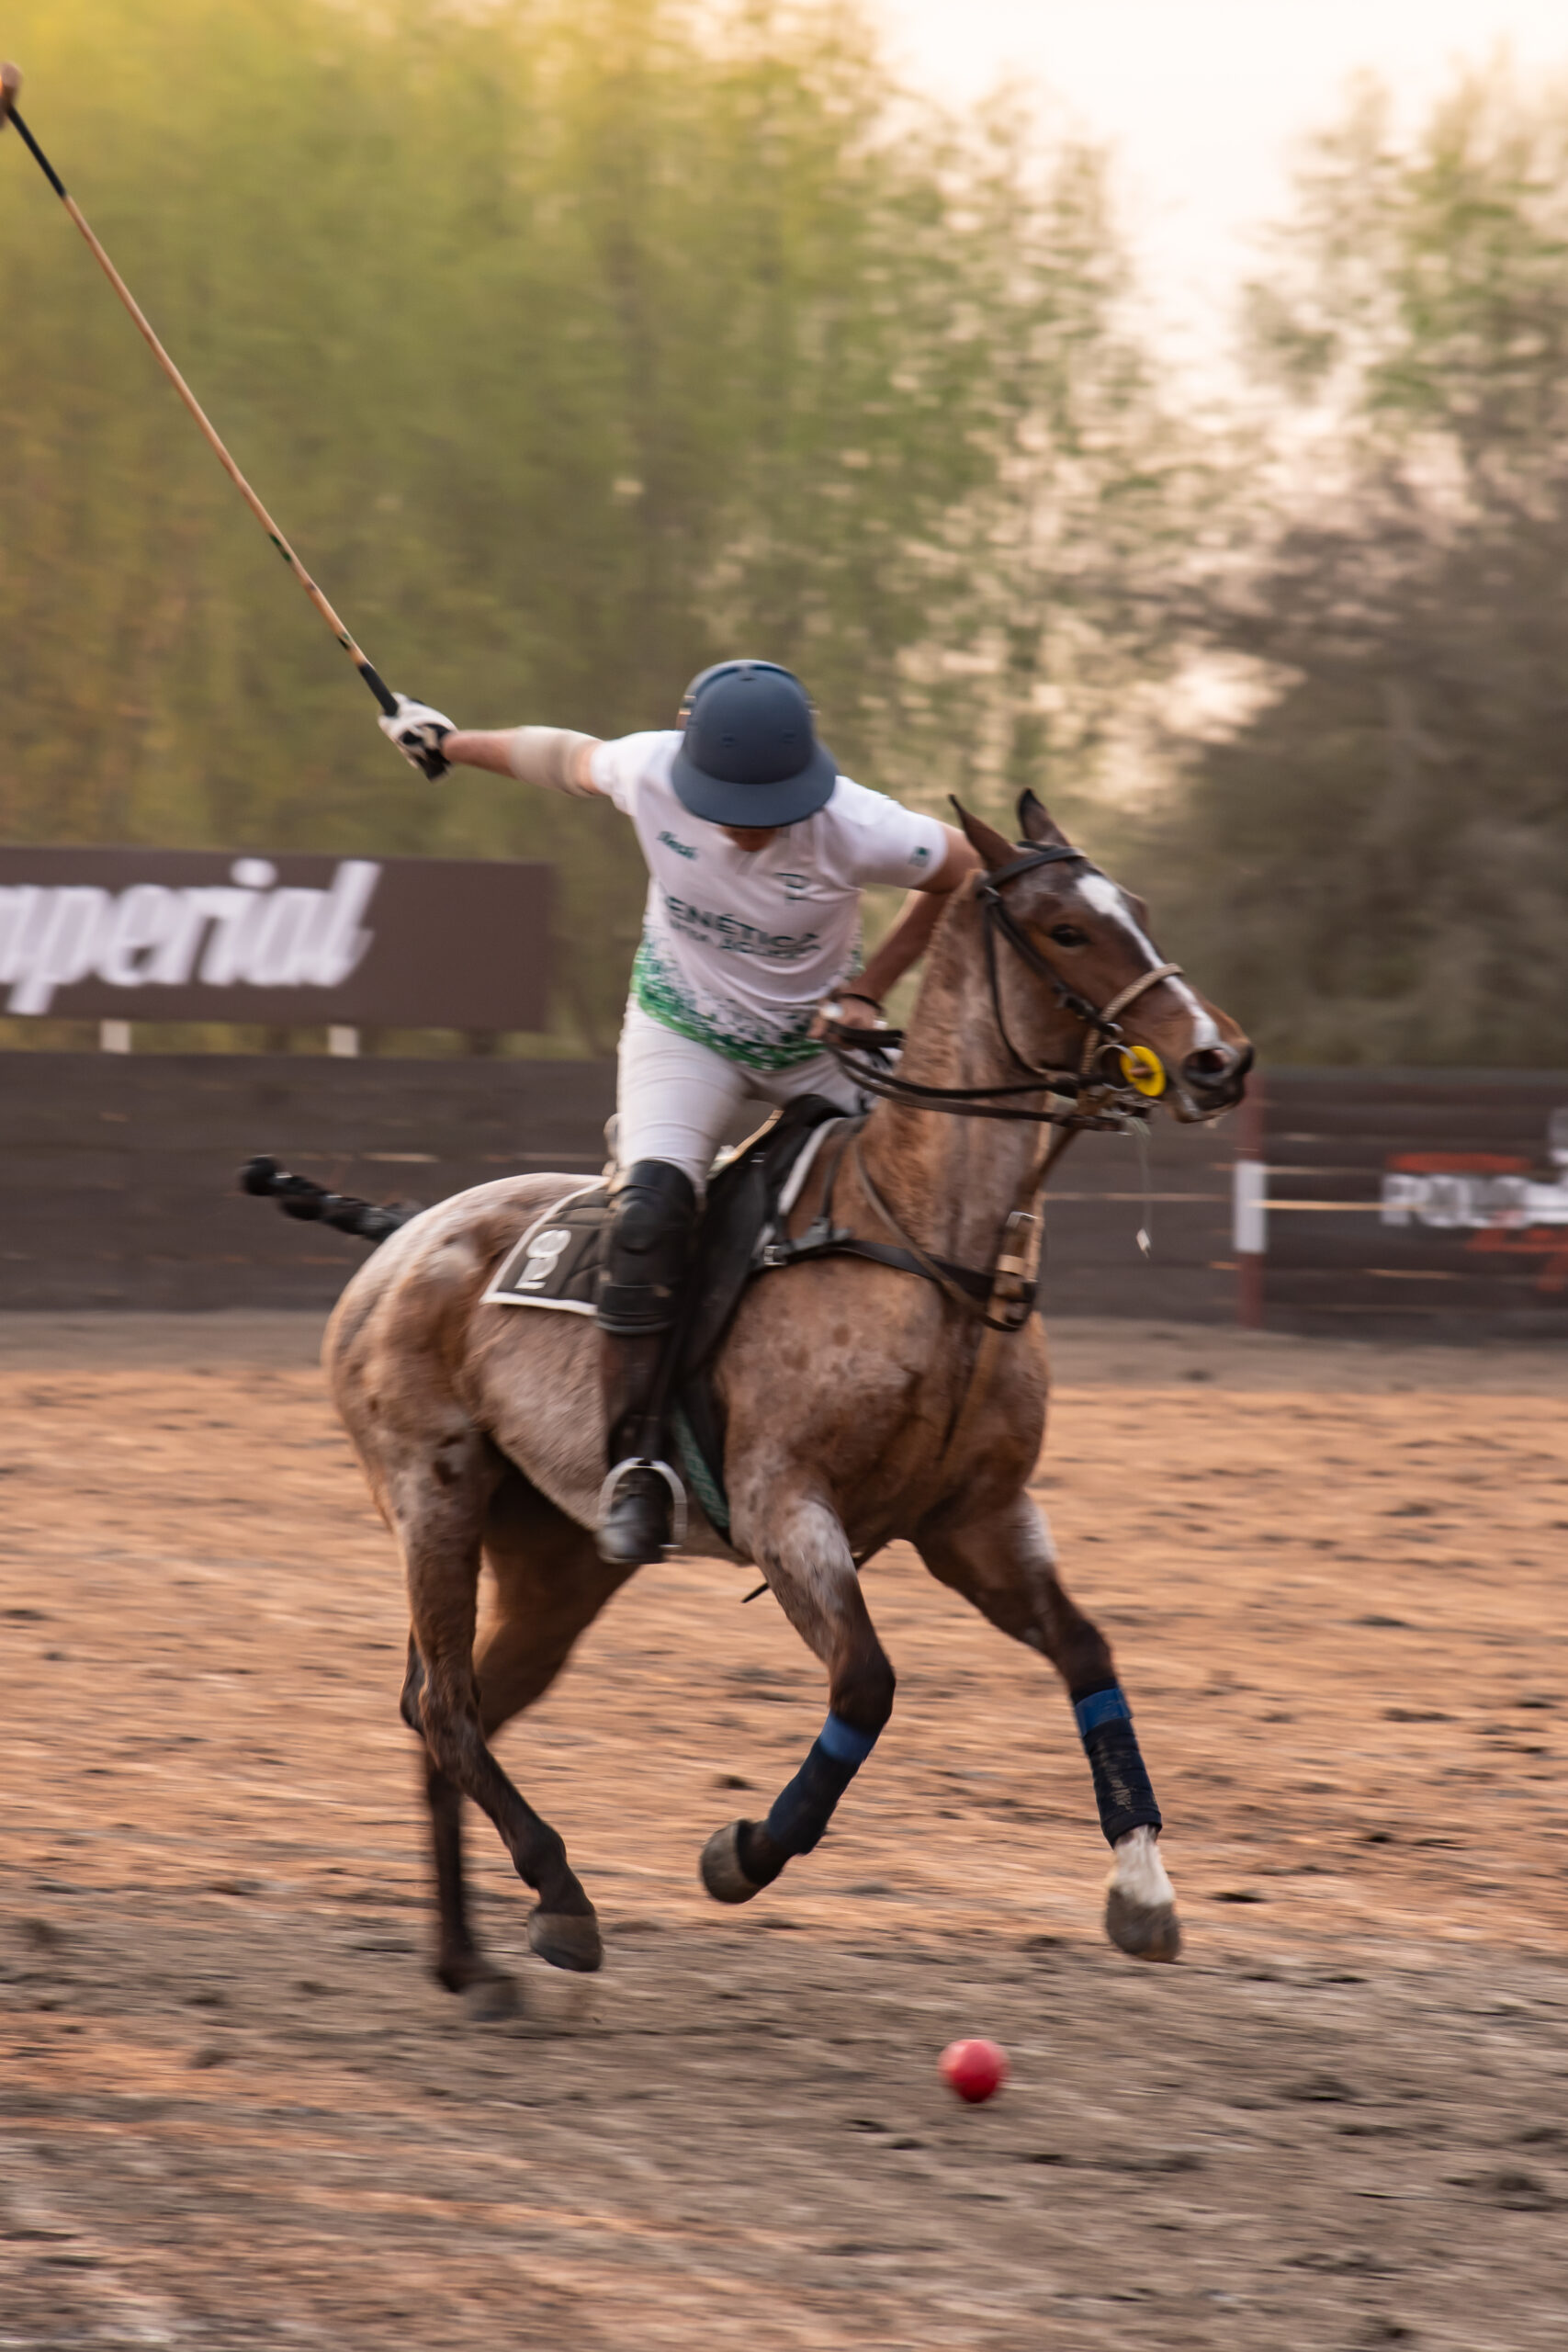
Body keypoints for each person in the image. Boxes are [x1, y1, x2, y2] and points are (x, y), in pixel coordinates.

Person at [380, 660, 978, 1566]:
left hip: (815, 1049)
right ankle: (636, 1467)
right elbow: (560, 756)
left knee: (918, 1197)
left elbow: (966, 870)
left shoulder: (860, 825)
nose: (747, 825)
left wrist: (870, 986)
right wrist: (448, 743)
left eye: (770, 804)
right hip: (684, 1036)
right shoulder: (650, 769)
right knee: (653, 1215)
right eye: (730, 802)